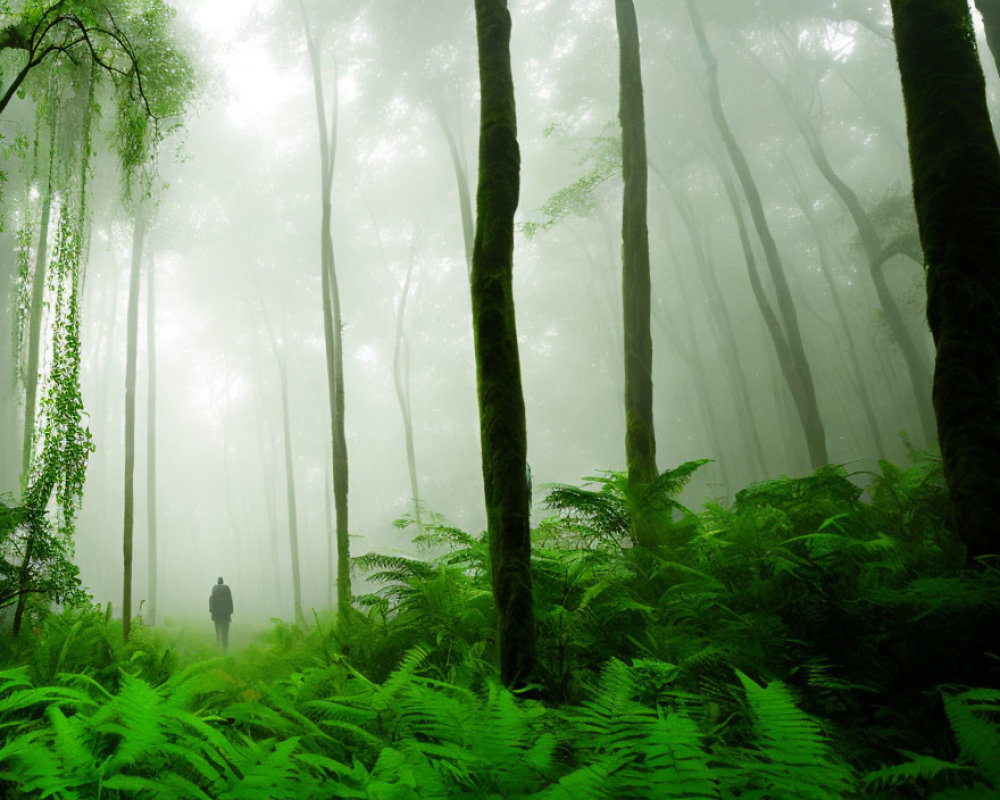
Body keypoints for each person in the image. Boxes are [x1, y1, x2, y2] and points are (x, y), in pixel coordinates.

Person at [209, 577, 233, 652]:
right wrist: (231, 611)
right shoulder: (227, 589)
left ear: (218, 582)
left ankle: (218, 645)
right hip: (226, 614)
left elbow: (211, 600)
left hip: (217, 615)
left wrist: (211, 611)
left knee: (218, 630)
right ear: (223, 582)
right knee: (225, 632)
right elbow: (230, 600)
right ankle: (225, 648)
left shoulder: (214, 589)